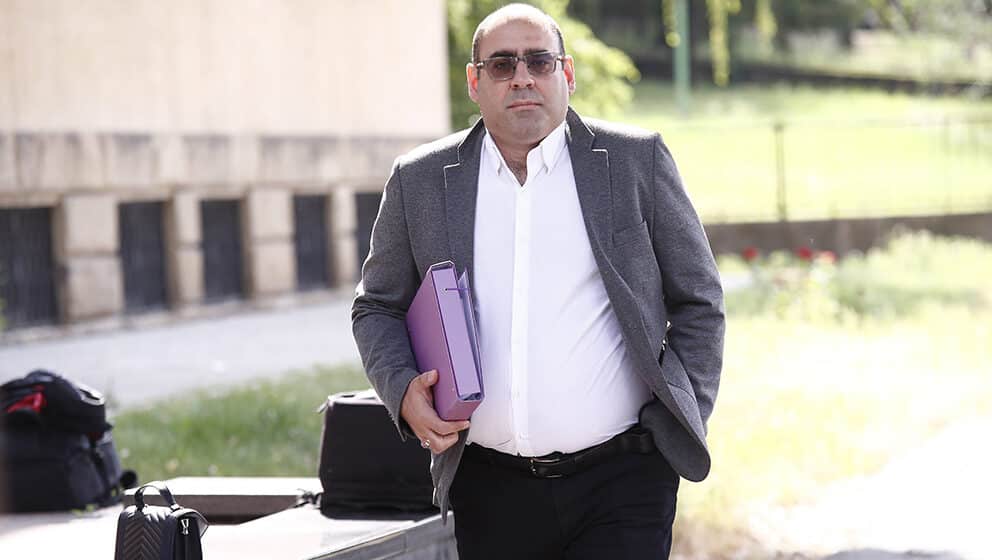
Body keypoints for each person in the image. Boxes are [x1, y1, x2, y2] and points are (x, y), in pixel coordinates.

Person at [352, 4, 724, 559]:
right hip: (488, 488)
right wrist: (402, 388)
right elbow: (376, 307)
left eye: (539, 62)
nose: (522, 77)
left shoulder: (634, 161)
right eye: (502, 65)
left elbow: (699, 299)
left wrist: (682, 413)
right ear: (475, 82)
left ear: (566, 73)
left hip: (625, 481)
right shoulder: (420, 180)